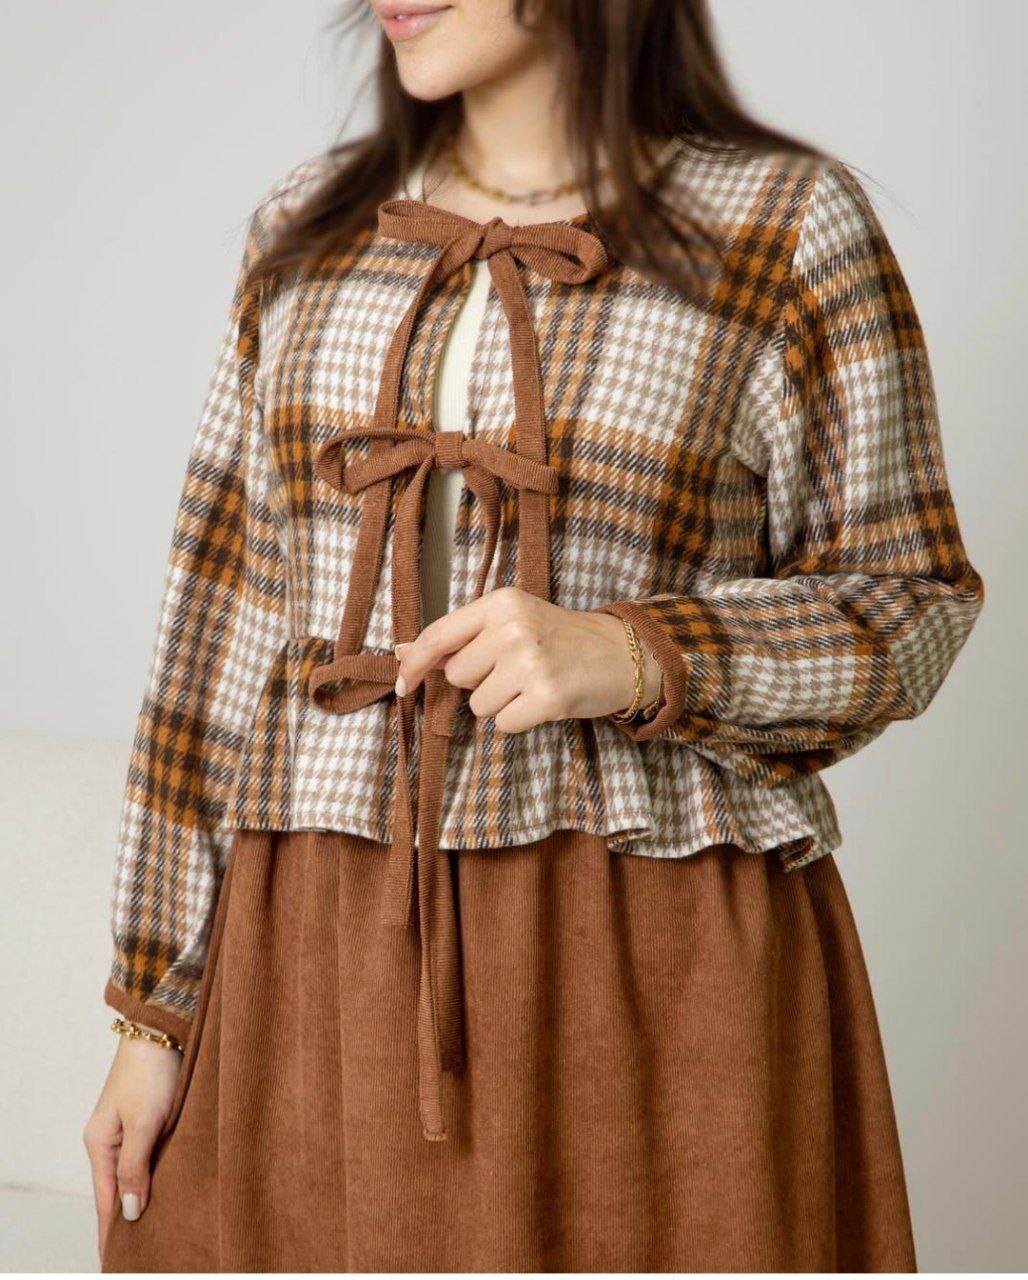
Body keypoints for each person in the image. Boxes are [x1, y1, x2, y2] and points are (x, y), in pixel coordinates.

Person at [85, 0, 985, 1271]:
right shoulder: (305, 232)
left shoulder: (782, 224)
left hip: (648, 942)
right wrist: (152, 1013)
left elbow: (909, 596)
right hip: (318, 942)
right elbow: (215, 631)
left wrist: (636, 651)